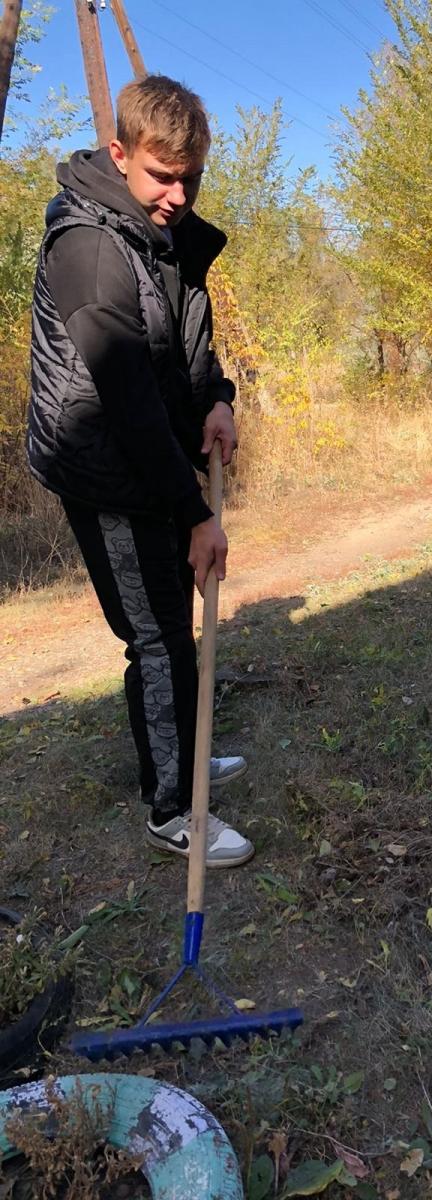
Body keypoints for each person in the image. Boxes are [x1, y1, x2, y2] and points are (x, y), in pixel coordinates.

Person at [27, 74, 255, 865]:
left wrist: (218, 399)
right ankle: (172, 808)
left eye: (190, 177)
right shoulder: (90, 250)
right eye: (162, 176)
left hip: (146, 451)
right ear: (120, 154)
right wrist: (196, 516)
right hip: (100, 466)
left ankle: (184, 758)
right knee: (156, 635)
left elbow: (186, 351)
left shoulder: (164, 240)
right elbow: (125, 401)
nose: (177, 194)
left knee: (172, 623)